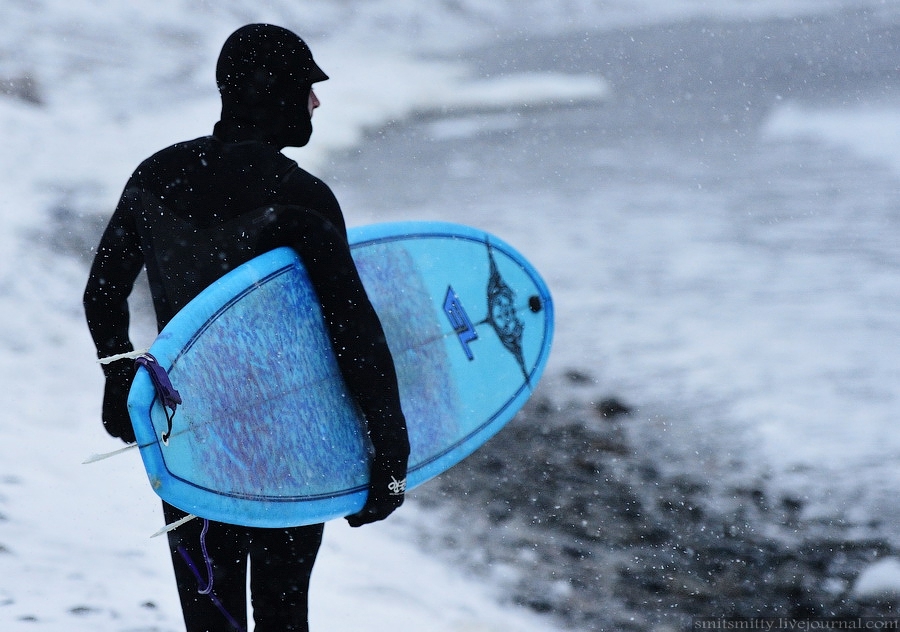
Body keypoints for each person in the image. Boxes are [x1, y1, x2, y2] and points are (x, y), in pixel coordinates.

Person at [83, 24, 410, 632]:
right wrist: (389, 447)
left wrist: (118, 373)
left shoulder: (157, 174)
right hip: (285, 437)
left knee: (210, 615)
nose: (317, 101)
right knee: (284, 613)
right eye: (308, 87)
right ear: (276, 93)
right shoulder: (300, 197)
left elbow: (103, 290)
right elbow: (352, 330)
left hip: (190, 434)